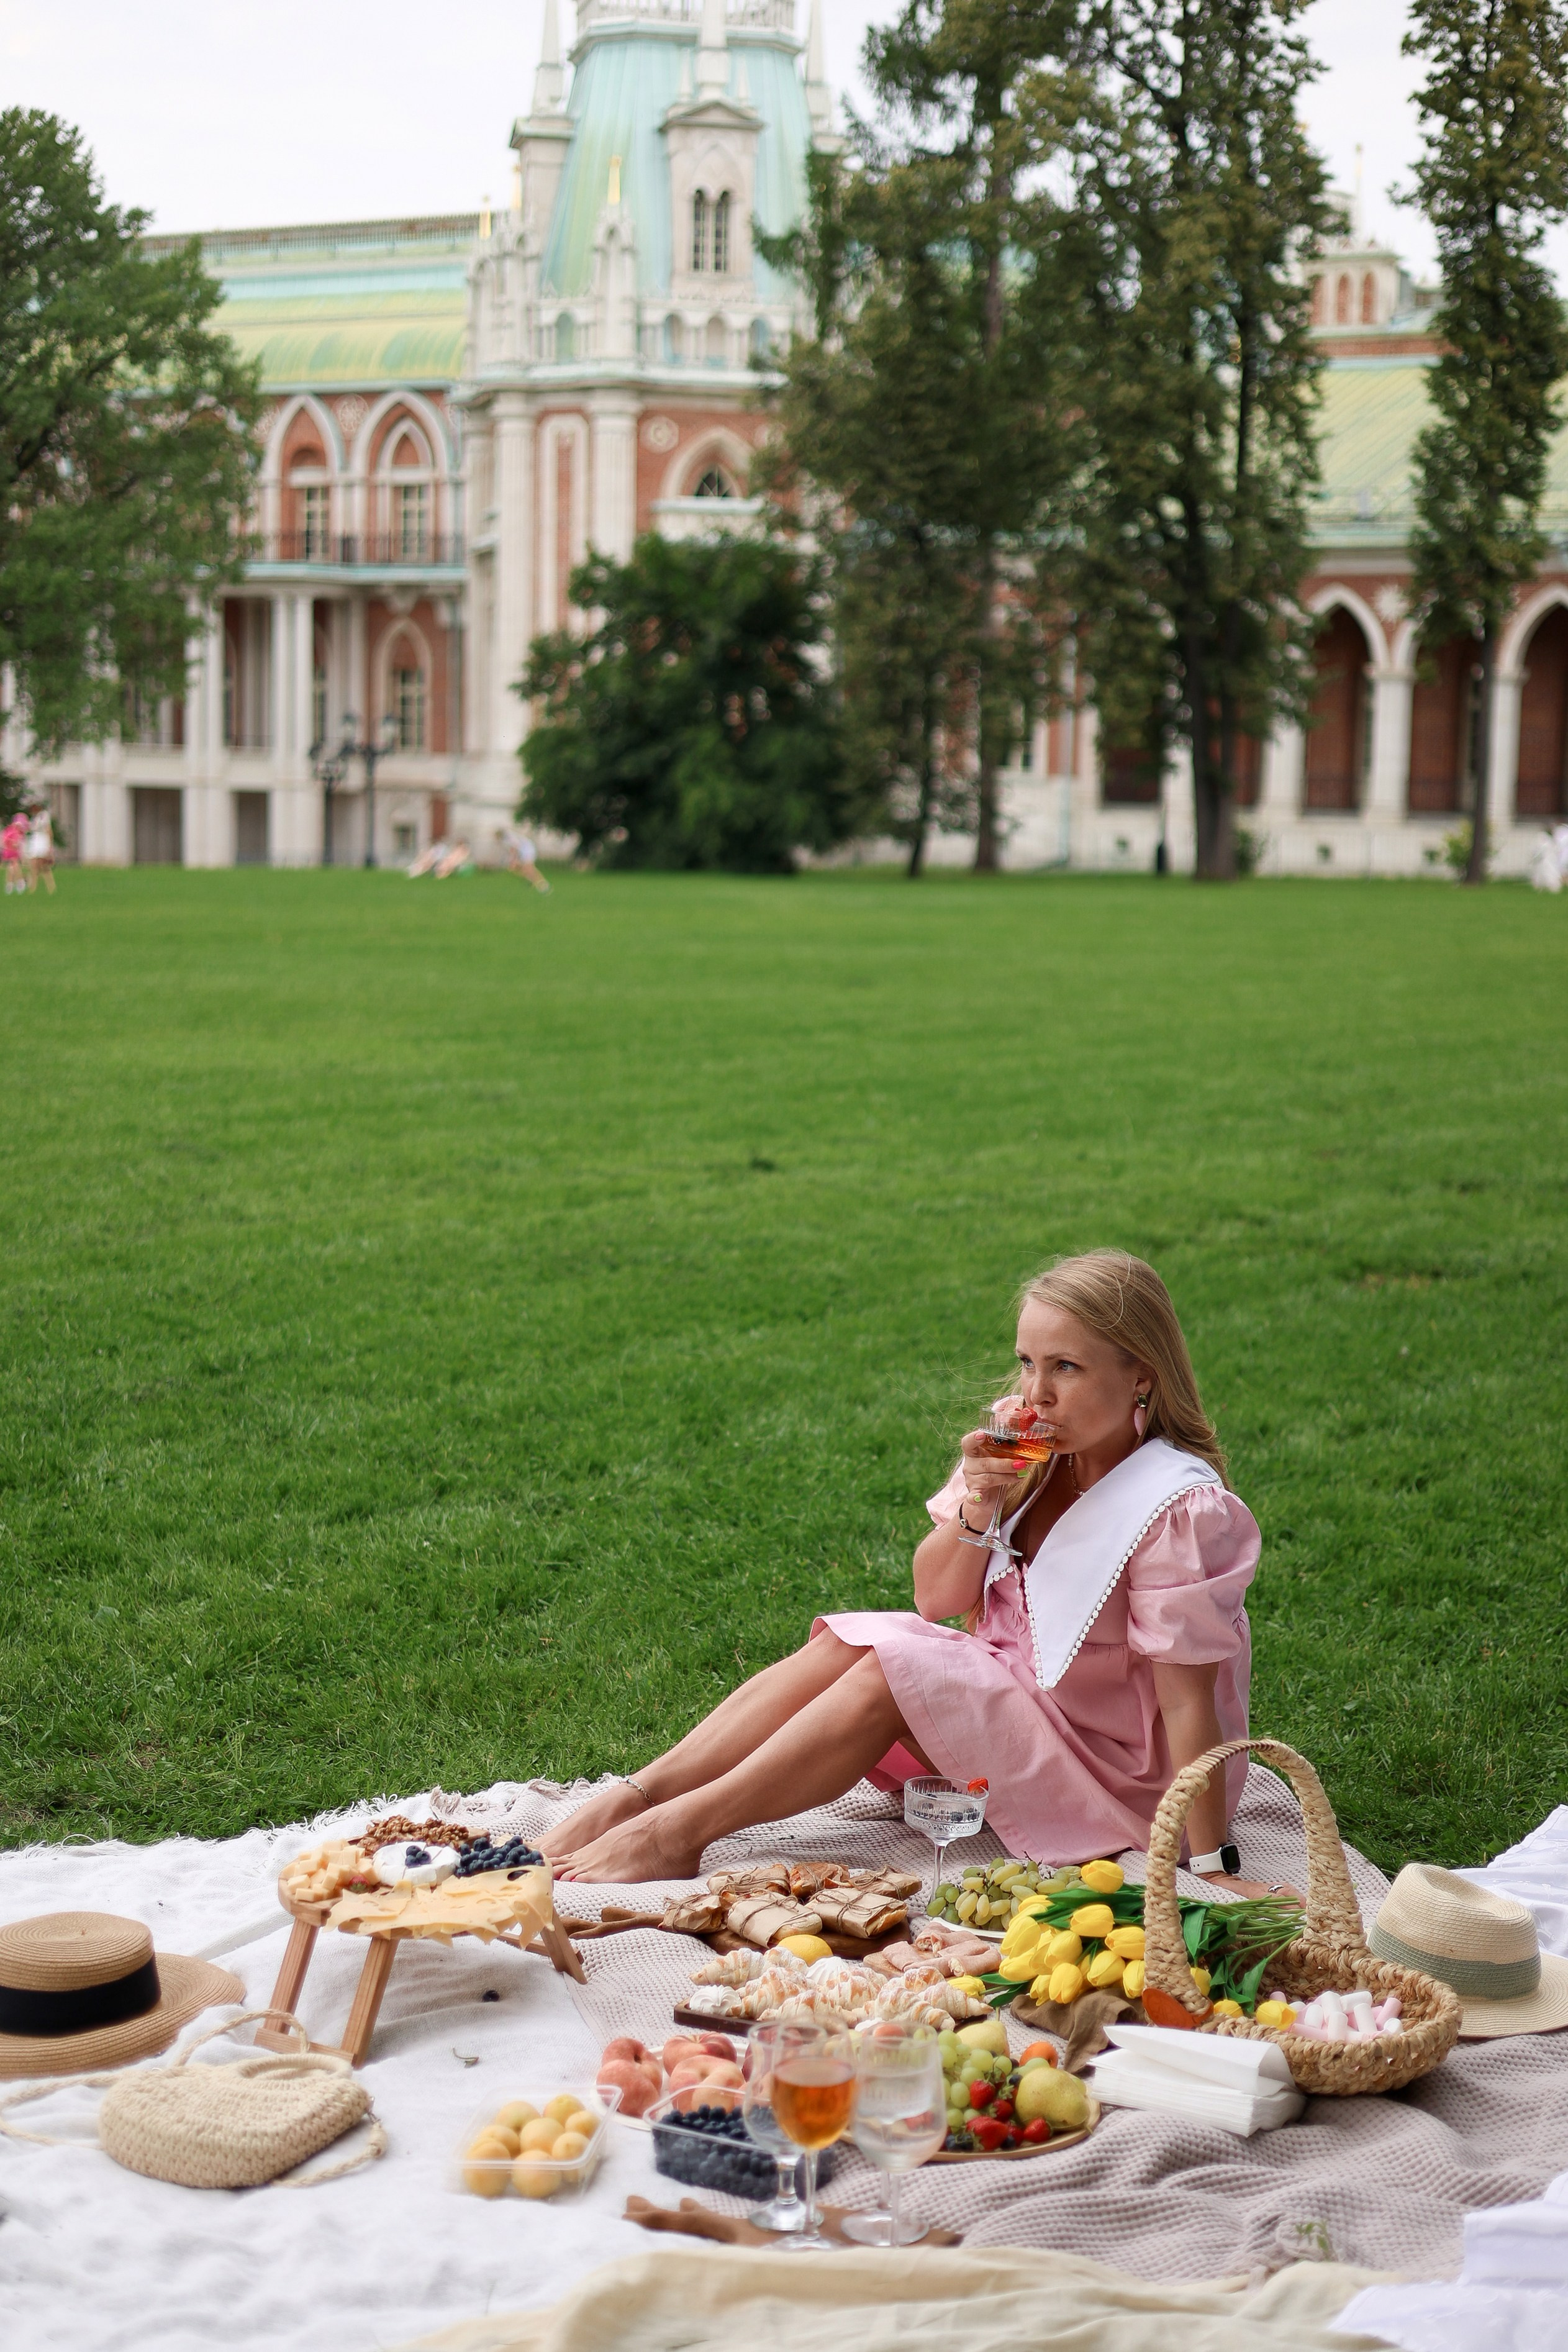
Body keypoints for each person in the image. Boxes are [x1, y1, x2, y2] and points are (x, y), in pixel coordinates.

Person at [548, 1250, 1267, 1895]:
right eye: (1027, 1361)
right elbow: (936, 1596)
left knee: (894, 1673)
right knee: (856, 1642)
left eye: (1065, 1368)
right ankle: (635, 1798)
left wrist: (1210, 1865)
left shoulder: (1176, 1508)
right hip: (1028, 1712)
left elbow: (1187, 1705)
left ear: (1140, 1375)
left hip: (1125, 1784)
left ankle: (673, 1835)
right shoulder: (1025, 1446)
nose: (1036, 1392)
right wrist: (982, 1499)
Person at [497, 825, 551, 893]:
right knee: (515, 868)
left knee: (529, 867)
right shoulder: (504, 840)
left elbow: (515, 847)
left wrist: (514, 859)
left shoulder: (509, 837)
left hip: (527, 849)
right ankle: (531, 879)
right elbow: (511, 850)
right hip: (522, 851)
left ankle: (542, 884)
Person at [23, 803, 55, 894]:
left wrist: (50, 846)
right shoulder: (34, 818)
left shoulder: (44, 816)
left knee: (43, 865)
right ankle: (33, 886)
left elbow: (49, 830)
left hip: (43, 841)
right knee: (33, 865)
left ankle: (51, 886)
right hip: (35, 841)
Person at [1, 810, 25, 894]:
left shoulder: (11, 831)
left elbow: (6, 841)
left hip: (10, 851)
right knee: (15, 866)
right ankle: (19, 883)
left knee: (12, 868)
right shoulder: (14, 831)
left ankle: (11, 884)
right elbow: (12, 842)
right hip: (11, 851)